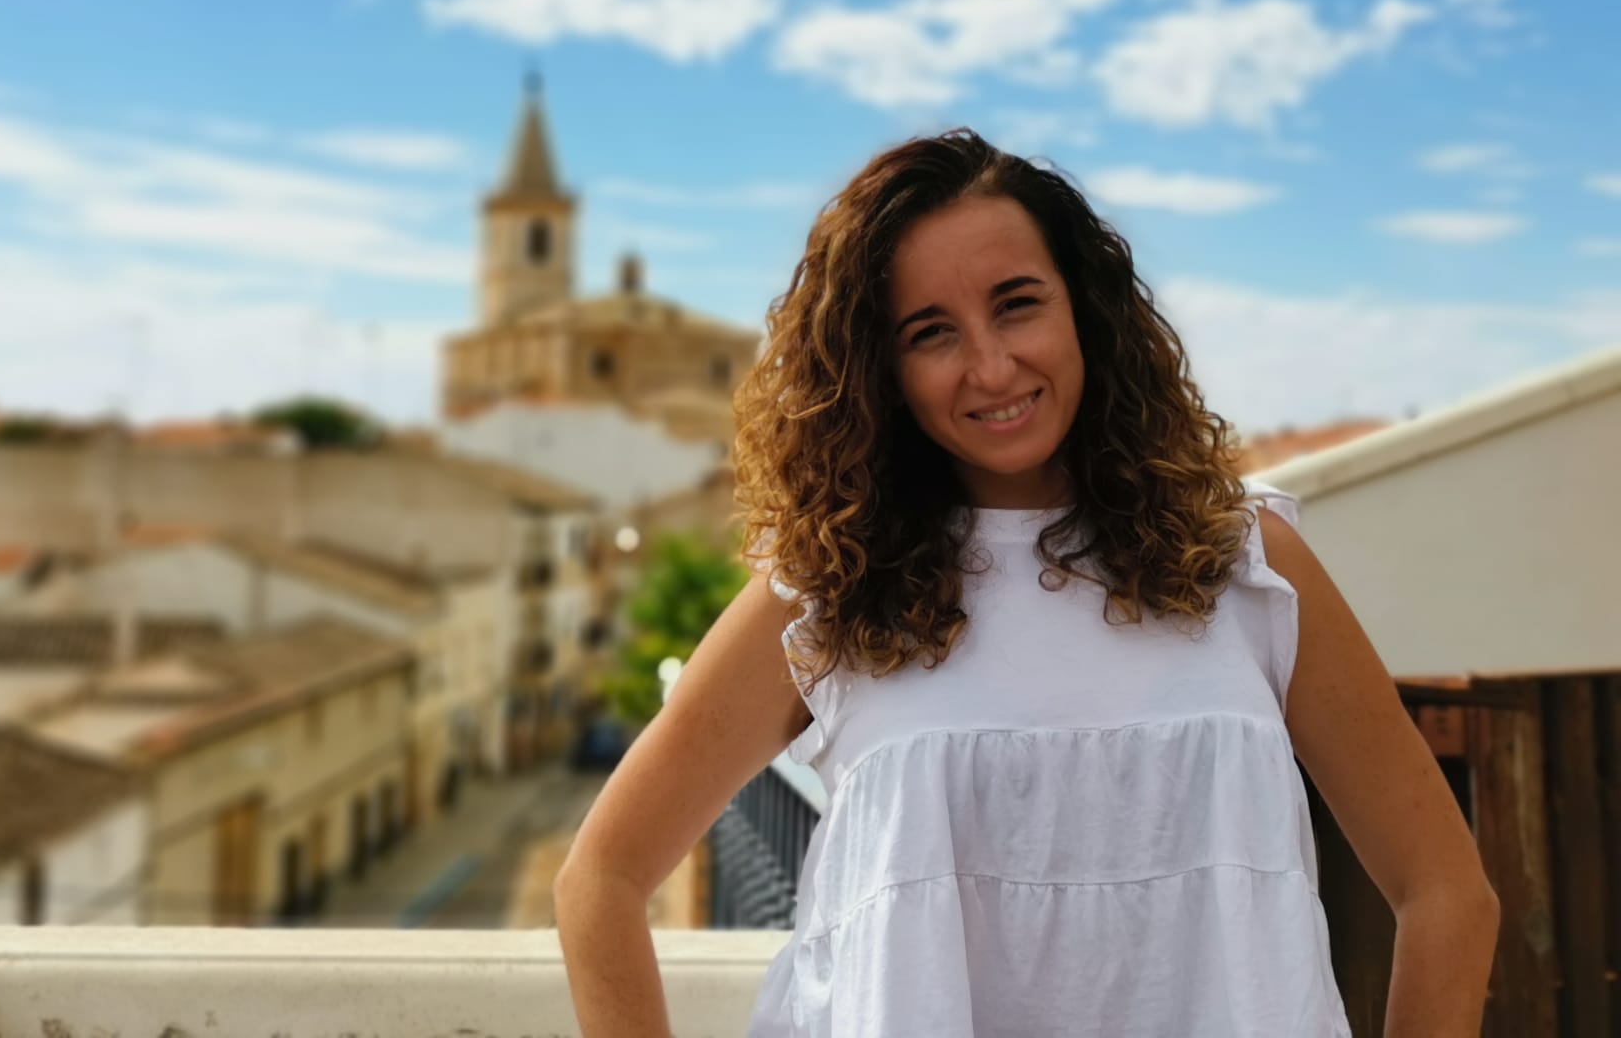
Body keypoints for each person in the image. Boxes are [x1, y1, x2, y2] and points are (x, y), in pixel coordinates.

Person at [554, 130, 1499, 1037]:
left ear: (1082, 305)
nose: (991, 365)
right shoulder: (827, 593)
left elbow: (1448, 895)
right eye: (931, 332)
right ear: (881, 373)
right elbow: (601, 877)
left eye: (1017, 303)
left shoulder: (1245, 562)